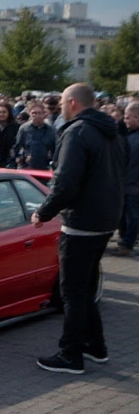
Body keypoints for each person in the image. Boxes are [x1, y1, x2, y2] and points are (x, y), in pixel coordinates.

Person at [32, 84, 126, 374]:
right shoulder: (113, 132)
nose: (58, 106)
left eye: (61, 101)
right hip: (105, 221)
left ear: (72, 103)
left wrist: (43, 212)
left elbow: (66, 182)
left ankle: (70, 354)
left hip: (82, 223)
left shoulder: (77, 132)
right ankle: (95, 346)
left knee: (71, 291)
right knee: (84, 288)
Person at [118, 103, 139, 257]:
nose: (124, 120)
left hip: (133, 185)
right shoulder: (128, 135)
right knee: (123, 214)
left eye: (127, 117)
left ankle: (127, 242)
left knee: (132, 216)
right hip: (126, 183)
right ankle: (124, 240)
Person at [14, 102, 56, 170]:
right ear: (29, 113)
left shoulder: (50, 130)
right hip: (26, 167)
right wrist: (21, 157)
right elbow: (17, 147)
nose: (37, 115)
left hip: (44, 167)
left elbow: (54, 150)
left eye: (39, 113)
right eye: (34, 113)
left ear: (43, 114)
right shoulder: (23, 129)